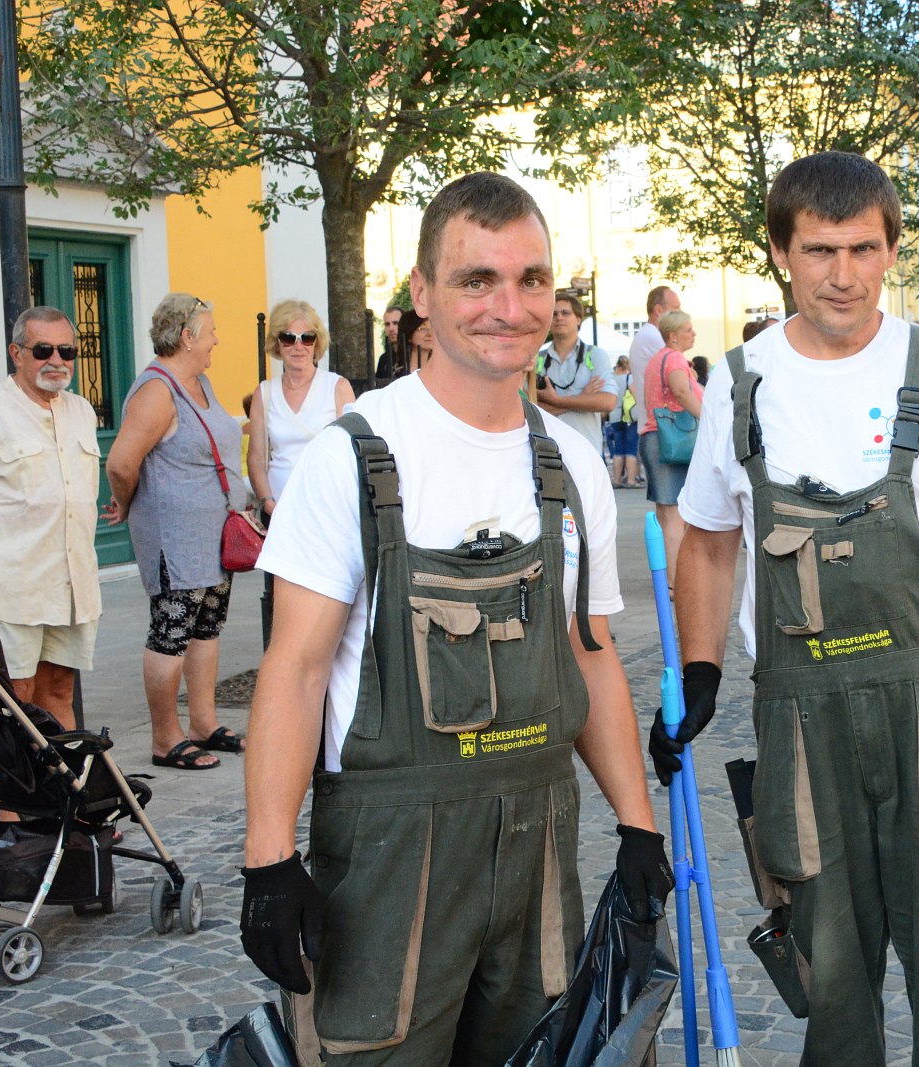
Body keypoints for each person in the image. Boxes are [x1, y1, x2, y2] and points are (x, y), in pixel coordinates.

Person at [240, 172, 672, 1064]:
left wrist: (638, 823)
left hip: (538, 848)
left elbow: (586, 655)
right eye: (477, 280)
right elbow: (296, 669)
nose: (508, 307)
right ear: (423, 293)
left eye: (532, 280)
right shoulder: (354, 457)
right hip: (389, 859)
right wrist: (269, 859)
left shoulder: (572, 468)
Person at [663, 151, 919, 1067]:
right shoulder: (740, 380)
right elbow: (713, 542)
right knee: (829, 971)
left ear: (890, 251)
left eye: (863, 249)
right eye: (819, 250)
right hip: (801, 710)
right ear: (780, 253)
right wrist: (699, 669)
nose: (842, 275)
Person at [105, 293, 247, 770]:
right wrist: (124, 505)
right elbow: (121, 462)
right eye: (209, 332)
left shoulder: (198, 382)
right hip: (175, 541)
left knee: (206, 629)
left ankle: (203, 723)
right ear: (186, 336)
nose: (216, 340)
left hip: (214, 538)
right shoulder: (157, 392)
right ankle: (166, 738)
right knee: (171, 633)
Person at [0, 307, 101, 731]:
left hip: (72, 585)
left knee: (59, 691)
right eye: (43, 349)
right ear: (16, 353)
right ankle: (14, 799)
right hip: (12, 589)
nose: (57, 360)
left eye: (67, 350)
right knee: (14, 699)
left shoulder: (83, 411)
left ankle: (63, 794)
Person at [248, 299, 354, 644]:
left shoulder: (336, 387)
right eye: (288, 337)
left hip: (327, 513)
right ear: (276, 344)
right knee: (281, 598)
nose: (297, 346)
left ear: (316, 342)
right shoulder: (264, 393)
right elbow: (257, 455)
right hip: (279, 515)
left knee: (327, 597)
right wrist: (267, 501)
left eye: (306, 338)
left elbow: (352, 453)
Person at [640, 309, 705, 594]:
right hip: (670, 440)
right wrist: (709, 419)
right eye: (688, 329)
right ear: (673, 335)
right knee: (675, 515)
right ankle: (677, 581)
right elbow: (681, 391)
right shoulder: (675, 358)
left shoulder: (657, 359)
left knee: (667, 513)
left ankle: (670, 579)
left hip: (654, 438)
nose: (693, 334)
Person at [536, 291, 617, 451]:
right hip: (548, 452)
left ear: (578, 319)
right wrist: (583, 399)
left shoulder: (595, 355)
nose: (559, 318)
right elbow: (530, 409)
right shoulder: (537, 359)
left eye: (565, 313)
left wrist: (556, 401)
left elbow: (608, 402)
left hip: (587, 449)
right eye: (554, 314)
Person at [629, 285, 681, 445]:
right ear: (658, 310)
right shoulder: (654, 337)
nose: (680, 313)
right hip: (661, 428)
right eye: (675, 308)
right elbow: (684, 378)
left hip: (658, 427)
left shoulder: (649, 335)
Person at [607, 354, 642, 488]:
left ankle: (616, 480)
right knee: (631, 449)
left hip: (614, 417)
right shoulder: (630, 378)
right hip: (630, 418)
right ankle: (631, 480)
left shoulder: (611, 379)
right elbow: (636, 395)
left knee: (618, 450)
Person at [373, 305, 406, 381]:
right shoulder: (384, 359)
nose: (391, 328)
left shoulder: (415, 354)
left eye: (396, 323)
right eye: (387, 324)